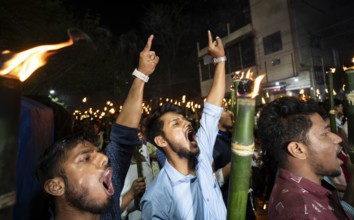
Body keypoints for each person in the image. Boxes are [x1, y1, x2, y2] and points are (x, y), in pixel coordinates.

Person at [36, 34, 159, 220]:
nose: (103, 157)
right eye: (85, 158)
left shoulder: (108, 210)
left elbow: (122, 137)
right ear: (56, 186)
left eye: (97, 152)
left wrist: (142, 74)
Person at [140, 30, 227, 219]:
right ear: (161, 141)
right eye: (175, 123)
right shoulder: (157, 198)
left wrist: (220, 61)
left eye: (185, 119)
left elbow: (211, 111)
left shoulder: (202, 158)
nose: (187, 123)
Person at [256, 96, 352, 219]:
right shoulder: (303, 214)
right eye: (324, 134)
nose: (337, 139)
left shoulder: (299, 188)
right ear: (297, 149)